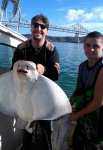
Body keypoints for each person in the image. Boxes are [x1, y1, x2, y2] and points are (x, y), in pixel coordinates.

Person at [11, 14, 60, 150]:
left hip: (44, 99)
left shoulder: (51, 50)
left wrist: (44, 69)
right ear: (31, 27)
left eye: (42, 26)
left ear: (47, 30)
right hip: (25, 97)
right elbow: (12, 69)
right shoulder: (21, 48)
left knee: (45, 133)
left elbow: (56, 74)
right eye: (35, 25)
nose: (38, 29)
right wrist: (18, 71)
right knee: (26, 132)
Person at [69, 31, 103, 150]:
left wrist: (75, 115)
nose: (91, 49)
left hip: (98, 126)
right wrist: (67, 106)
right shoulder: (82, 66)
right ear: (83, 46)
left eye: (96, 46)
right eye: (88, 45)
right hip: (82, 122)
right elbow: (78, 90)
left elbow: (98, 102)